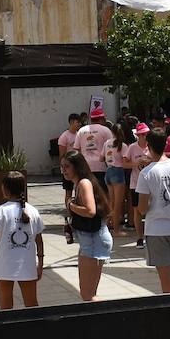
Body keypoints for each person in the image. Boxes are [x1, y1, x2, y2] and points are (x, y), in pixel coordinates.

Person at [0, 172, 44, 310]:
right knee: (32, 306)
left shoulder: (0, 211)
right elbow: (39, 241)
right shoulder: (33, 211)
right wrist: (40, 264)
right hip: (27, 266)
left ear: (5, 189)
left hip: (4, 266)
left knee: (5, 307)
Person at [135, 130, 170, 293]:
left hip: (157, 230)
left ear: (148, 145)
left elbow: (142, 208)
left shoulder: (146, 173)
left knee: (166, 279)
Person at [62, 150, 111, 301]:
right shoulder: (78, 184)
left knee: (88, 294)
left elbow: (90, 211)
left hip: (94, 239)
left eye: (67, 166)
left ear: (77, 166)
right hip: (89, 239)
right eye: (62, 167)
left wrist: (71, 205)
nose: (64, 170)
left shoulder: (84, 183)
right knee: (88, 293)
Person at [124, 122, 152, 245]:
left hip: (151, 183)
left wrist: (148, 162)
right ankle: (140, 237)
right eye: (143, 134)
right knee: (137, 210)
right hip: (136, 183)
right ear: (138, 136)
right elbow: (124, 164)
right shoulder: (132, 147)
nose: (145, 136)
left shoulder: (151, 147)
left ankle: (150, 235)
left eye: (146, 134)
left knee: (151, 209)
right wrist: (137, 163)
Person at [74, 109, 113, 190]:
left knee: (88, 191)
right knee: (102, 192)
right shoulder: (106, 130)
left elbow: (76, 149)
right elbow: (111, 148)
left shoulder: (81, 130)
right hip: (101, 167)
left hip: (85, 166)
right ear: (102, 119)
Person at [58, 114, 83, 240]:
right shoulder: (64, 136)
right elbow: (62, 154)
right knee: (68, 191)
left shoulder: (80, 134)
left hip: (78, 168)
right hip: (68, 168)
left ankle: (78, 211)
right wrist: (64, 168)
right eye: (78, 122)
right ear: (72, 122)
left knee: (78, 190)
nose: (79, 124)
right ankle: (70, 212)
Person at [105, 120, 132, 232]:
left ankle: (108, 225)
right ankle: (116, 230)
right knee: (118, 204)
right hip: (118, 172)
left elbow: (101, 158)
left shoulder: (107, 143)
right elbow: (125, 163)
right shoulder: (123, 145)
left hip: (108, 172)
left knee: (111, 202)